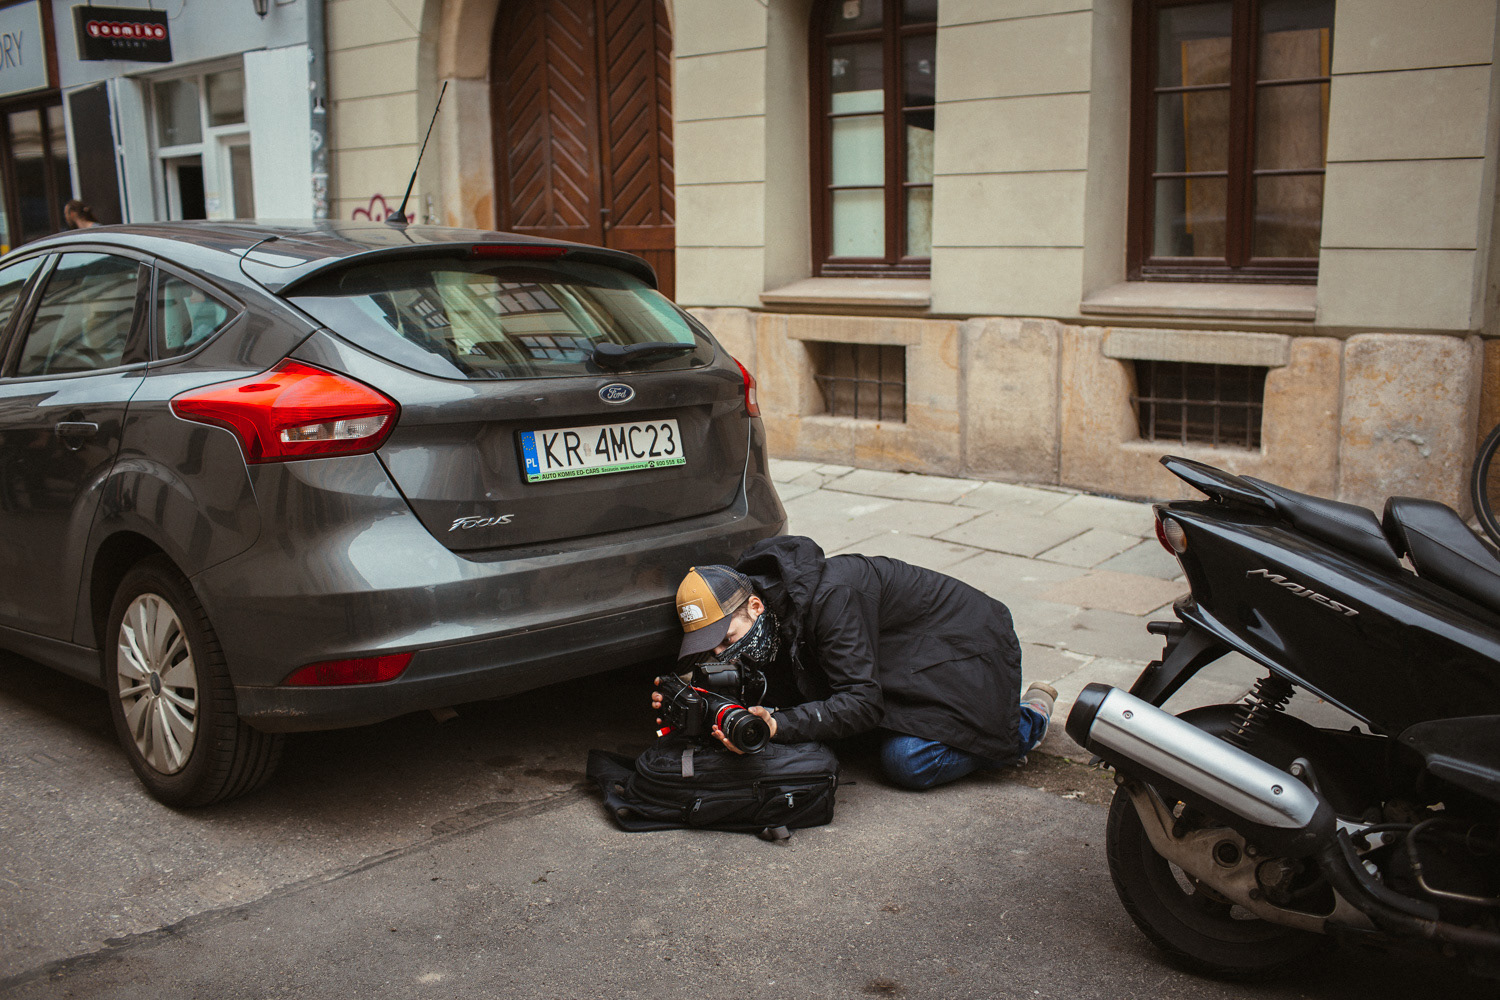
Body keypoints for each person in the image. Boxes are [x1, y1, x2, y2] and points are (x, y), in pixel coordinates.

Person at [661, 535, 1057, 791]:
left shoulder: (832, 597)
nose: (722, 653)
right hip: (901, 660)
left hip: (965, 650)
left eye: (726, 639)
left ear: (755, 605)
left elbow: (863, 702)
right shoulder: (774, 610)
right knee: (854, 735)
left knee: (907, 761)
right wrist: (696, 704)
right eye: (711, 647)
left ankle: (1025, 720)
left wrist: (778, 724)